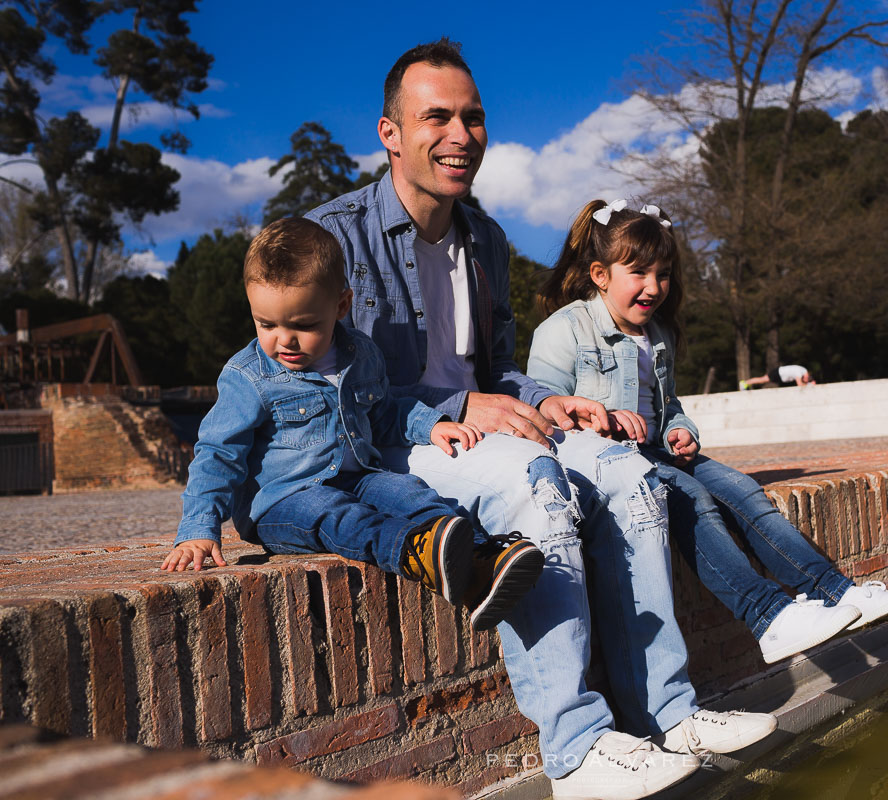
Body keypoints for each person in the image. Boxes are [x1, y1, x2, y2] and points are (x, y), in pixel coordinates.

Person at [305, 40, 775, 800]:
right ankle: (578, 750)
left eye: (474, 117)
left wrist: (544, 398)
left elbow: (496, 371)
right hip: (401, 444)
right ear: (390, 132)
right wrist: (461, 407)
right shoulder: (336, 236)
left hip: (485, 425)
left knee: (629, 474)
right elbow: (326, 395)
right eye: (438, 118)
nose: (461, 135)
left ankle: (667, 713)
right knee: (539, 482)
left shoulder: (483, 237)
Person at [528, 199, 888, 665]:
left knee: (742, 490)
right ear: (600, 274)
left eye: (664, 274)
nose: (654, 287)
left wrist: (680, 429)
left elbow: (668, 404)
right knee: (691, 498)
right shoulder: (565, 329)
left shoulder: (657, 336)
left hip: (659, 452)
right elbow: (544, 413)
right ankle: (768, 617)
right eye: (639, 273)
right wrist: (602, 418)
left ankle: (837, 592)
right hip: (609, 466)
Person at [163, 218, 543, 632]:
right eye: (266, 324)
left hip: (357, 476)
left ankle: (481, 557)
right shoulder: (249, 375)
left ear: (341, 306)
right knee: (334, 513)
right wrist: (199, 529)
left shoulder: (360, 354)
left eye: (304, 325)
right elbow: (218, 454)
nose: (283, 340)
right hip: (282, 502)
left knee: (406, 489)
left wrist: (429, 425)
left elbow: (384, 411)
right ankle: (416, 552)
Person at [740, 364, 814, 390]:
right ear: (806, 376)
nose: (805, 381)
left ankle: (745, 383)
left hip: (779, 374)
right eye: (807, 380)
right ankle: (745, 383)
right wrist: (809, 385)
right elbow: (800, 385)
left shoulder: (803, 370)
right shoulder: (799, 372)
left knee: (763, 379)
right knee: (763, 379)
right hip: (778, 373)